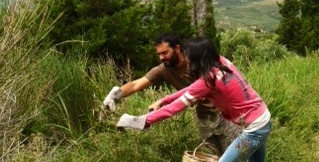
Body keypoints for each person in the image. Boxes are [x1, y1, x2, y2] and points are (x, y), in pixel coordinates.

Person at [116, 37, 273, 162]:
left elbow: (174, 109)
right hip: (263, 119)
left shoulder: (208, 80)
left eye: (190, 57)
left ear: (198, 59)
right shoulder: (222, 63)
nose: (187, 60)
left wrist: (139, 121)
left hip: (253, 130)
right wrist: (165, 99)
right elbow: (191, 90)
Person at [102, 32, 241, 155]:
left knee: (238, 158)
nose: (162, 57)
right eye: (159, 54)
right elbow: (136, 84)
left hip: (226, 114)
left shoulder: (197, 60)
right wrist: (115, 95)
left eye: (165, 52)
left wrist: (161, 103)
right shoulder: (164, 70)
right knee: (214, 159)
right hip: (204, 116)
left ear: (177, 48)